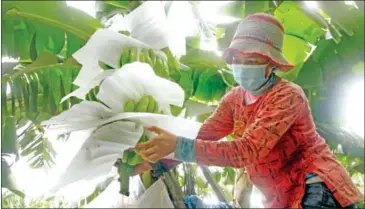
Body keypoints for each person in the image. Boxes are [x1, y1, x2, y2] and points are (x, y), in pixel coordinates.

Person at [133, 13, 363, 208]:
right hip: (283, 196)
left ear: (271, 64)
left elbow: (247, 151)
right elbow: (203, 136)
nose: (242, 67)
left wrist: (177, 146)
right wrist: (157, 162)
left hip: (316, 187)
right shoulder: (234, 98)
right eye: (237, 59)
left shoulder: (288, 95)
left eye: (252, 61)